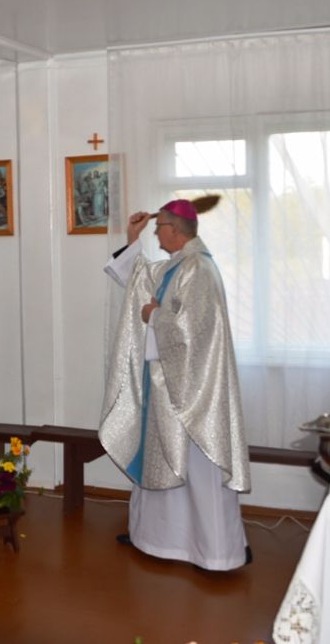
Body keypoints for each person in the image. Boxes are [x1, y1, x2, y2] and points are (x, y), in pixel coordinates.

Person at [102, 198, 250, 571]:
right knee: (162, 461)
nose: (156, 235)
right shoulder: (179, 265)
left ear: (174, 229)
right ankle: (156, 538)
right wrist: (132, 238)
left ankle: (214, 551)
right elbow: (140, 281)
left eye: (158, 229)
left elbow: (194, 331)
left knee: (196, 469)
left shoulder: (199, 268)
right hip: (169, 386)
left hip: (193, 394)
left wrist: (155, 316)